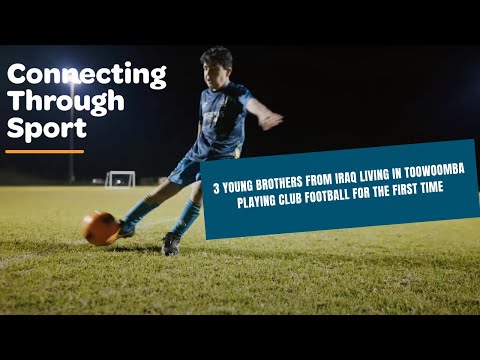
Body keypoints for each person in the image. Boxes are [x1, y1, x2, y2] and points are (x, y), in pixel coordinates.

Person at [108, 45, 284, 256]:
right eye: (205, 69)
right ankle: (127, 225)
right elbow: (202, 125)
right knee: (163, 190)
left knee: (198, 193)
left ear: (228, 71)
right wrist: (196, 147)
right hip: (196, 154)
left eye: (214, 70)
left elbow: (252, 103)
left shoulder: (237, 92)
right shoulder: (204, 96)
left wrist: (264, 114)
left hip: (223, 158)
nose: (208, 75)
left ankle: (173, 237)